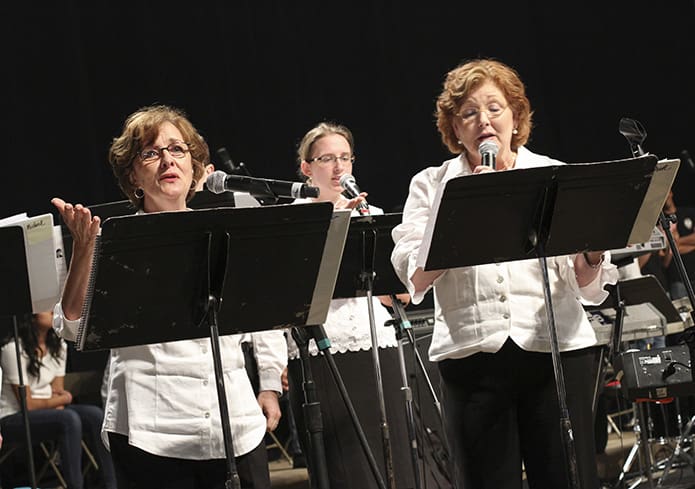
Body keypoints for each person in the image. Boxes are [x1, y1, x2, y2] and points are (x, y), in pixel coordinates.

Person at [390, 59, 619, 489]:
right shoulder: (431, 185)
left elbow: (587, 289)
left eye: (495, 108)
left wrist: (592, 252)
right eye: (469, 113)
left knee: (568, 478)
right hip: (471, 360)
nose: (484, 121)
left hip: (556, 355)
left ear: (516, 118)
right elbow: (414, 277)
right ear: (454, 129)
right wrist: (468, 212)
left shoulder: (553, 175)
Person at [51, 104, 286, 489]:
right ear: (133, 176)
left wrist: (270, 385)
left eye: (178, 150)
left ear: (195, 168)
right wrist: (83, 250)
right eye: (151, 152)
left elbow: (262, 316)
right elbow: (72, 328)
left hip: (235, 425)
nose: (167, 161)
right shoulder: (111, 239)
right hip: (153, 433)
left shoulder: (226, 234)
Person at [285, 121, 414, 489]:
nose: (339, 167)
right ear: (306, 168)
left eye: (345, 158)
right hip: (325, 351)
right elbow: (298, 293)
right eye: (327, 158)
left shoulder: (367, 212)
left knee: (396, 461)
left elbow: (400, 295)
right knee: (348, 467)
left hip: (379, 344)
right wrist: (338, 222)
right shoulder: (296, 218)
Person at [0, 311, 117, 489]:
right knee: (69, 419)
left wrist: (60, 400)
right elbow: (28, 404)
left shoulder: (58, 345)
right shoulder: (12, 348)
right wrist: (61, 399)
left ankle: (111, 485)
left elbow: (58, 392)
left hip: (47, 411)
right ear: (31, 314)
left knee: (94, 415)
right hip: (14, 417)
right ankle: (74, 486)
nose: (52, 310)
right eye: (45, 308)